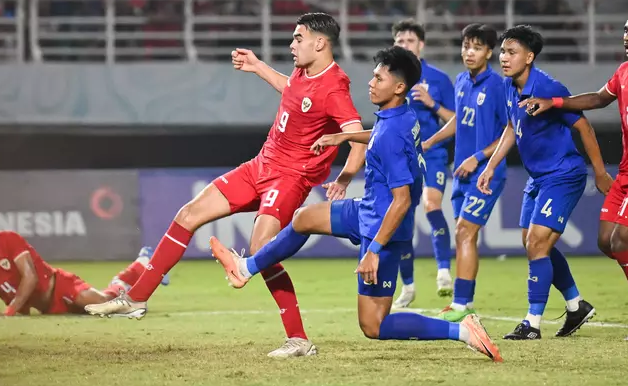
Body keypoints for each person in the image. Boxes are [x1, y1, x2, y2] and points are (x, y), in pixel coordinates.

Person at [86, 12, 367, 359]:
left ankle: (298, 339)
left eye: (298, 38)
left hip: (290, 176)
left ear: (319, 43)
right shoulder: (303, 72)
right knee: (189, 213)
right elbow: (292, 90)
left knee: (261, 247)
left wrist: (344, 177)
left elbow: (357, 135)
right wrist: (257, 65)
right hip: (260, 165)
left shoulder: (335, 85)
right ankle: (137, 298)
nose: (292, 44)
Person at [209, 47, 502, 362]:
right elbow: (380, 134)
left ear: (399, 87)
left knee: (374, 325)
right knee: (304, 218)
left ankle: (463, 331)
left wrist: (374, 251)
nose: (371, 82)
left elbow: (402, 200)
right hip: (367, 209)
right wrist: (341, 138)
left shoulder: (392, 133)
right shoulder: (400, 114)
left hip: (383, 228)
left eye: (379, 77)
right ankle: (246, 268)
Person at [520, 7, 628, 341]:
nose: (627, 37)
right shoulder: (625, 70)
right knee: (607, 242)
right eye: (626, 31)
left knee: (623, 240)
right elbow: (598, 99)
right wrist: (554, 102)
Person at [477, 25, 612, 339]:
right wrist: (490, 164)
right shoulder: (511, 87)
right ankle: (576, 305)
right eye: (503, 52)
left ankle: (532, 324)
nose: (504, 58)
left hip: (563, 174)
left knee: (537, 243)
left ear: (530, 56)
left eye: (512, 52)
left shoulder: (549, 87)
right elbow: (512, 128)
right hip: (538, 178)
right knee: (534, 243)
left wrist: (601, 172)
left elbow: (585, 128)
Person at [422, 24, 507, 321]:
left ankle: (461, 304)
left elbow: (511, 133)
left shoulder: (498, 86)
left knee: (464, 232)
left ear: (489, 52)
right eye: (466, 46)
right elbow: (460, 119)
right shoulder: (460, 81)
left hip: (486, 173)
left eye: (477, 47)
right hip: (461, 173)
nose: (469, 53)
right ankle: (465, 302)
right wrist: (432, 140)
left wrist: (478, 157)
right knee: (464, 237)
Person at [0, 202, 160, 316]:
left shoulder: (9, 240)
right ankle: (125, 279)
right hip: (50, 309)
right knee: (100, 313)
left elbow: (30, 278)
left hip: (61, 286)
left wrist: (10, 311)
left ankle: (136, 269)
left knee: (104, 303)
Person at [390, 19, 455, 307]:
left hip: (433, 153)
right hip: (402, 156)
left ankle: (443, 271)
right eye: (400, 41)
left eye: (410, 41)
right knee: (402, 217)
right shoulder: (389, 76)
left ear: (421, 45)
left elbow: (456, 119)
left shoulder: (438, 79)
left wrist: (431, 103)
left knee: (432, 204)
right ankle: (408, 286)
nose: (405, 45)